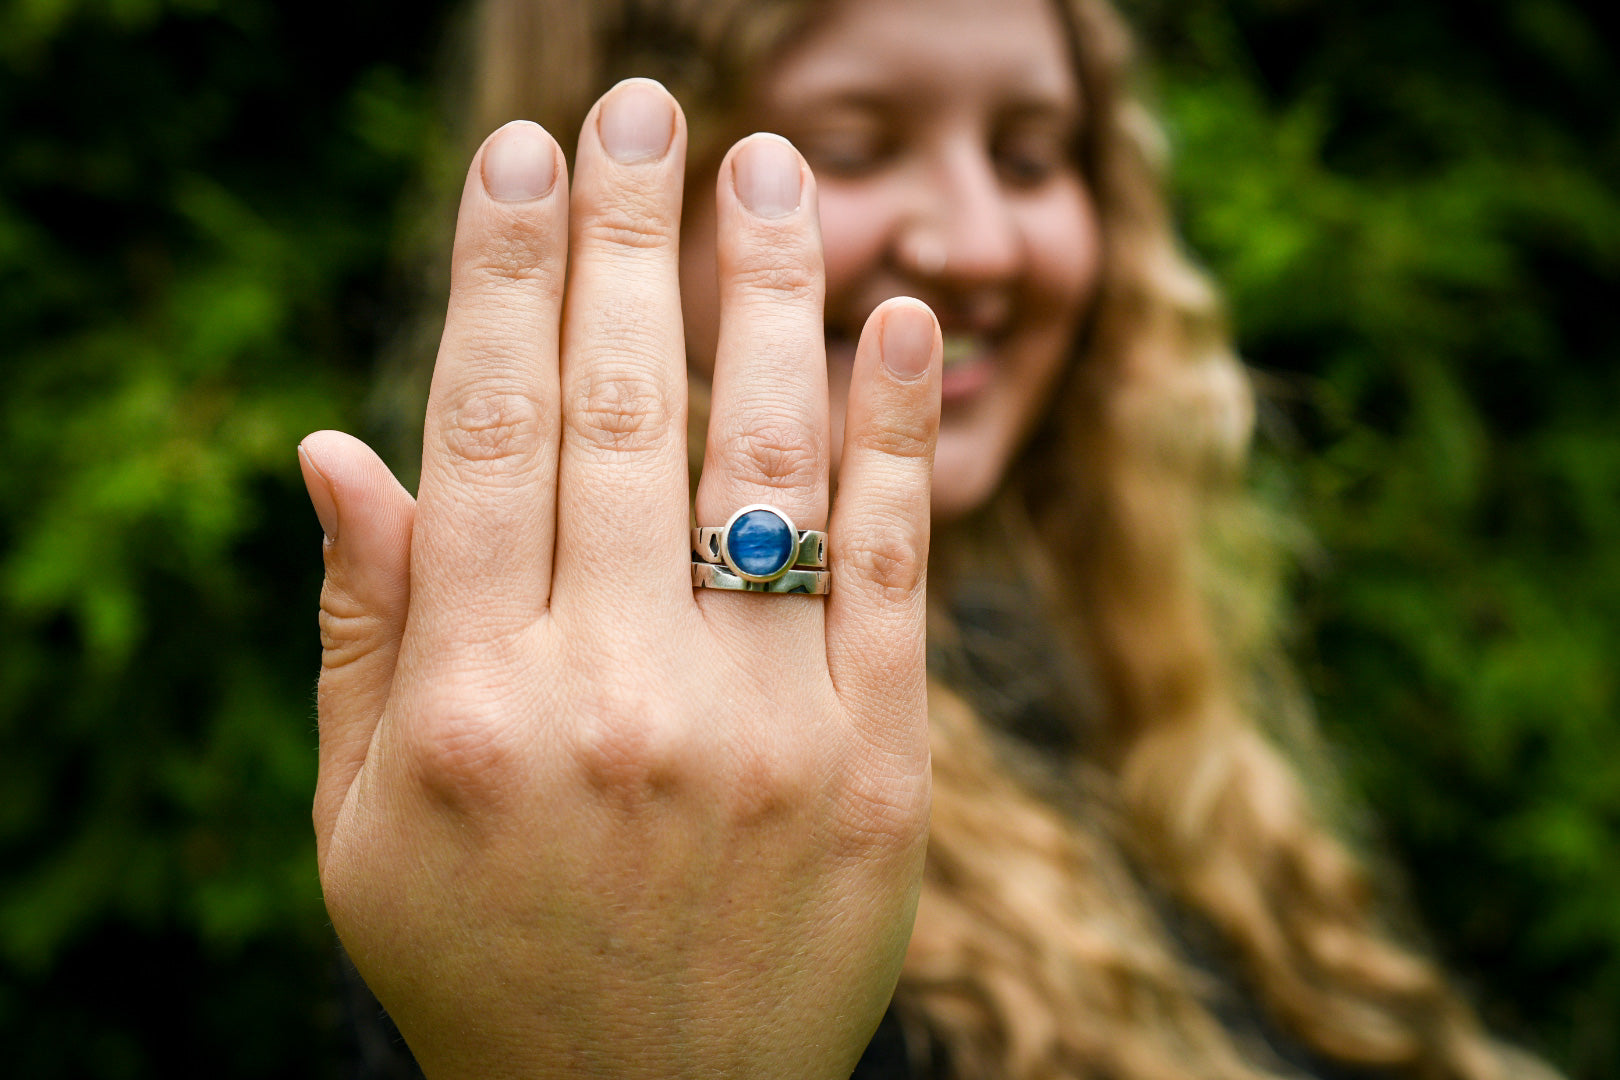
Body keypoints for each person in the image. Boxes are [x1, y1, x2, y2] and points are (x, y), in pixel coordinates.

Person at [294, 0, 1559, 1077]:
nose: (979, 243)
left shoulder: (1109, 683)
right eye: (847, 147)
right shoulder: (550, 783)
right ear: (624, 204)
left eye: (1029, 155)